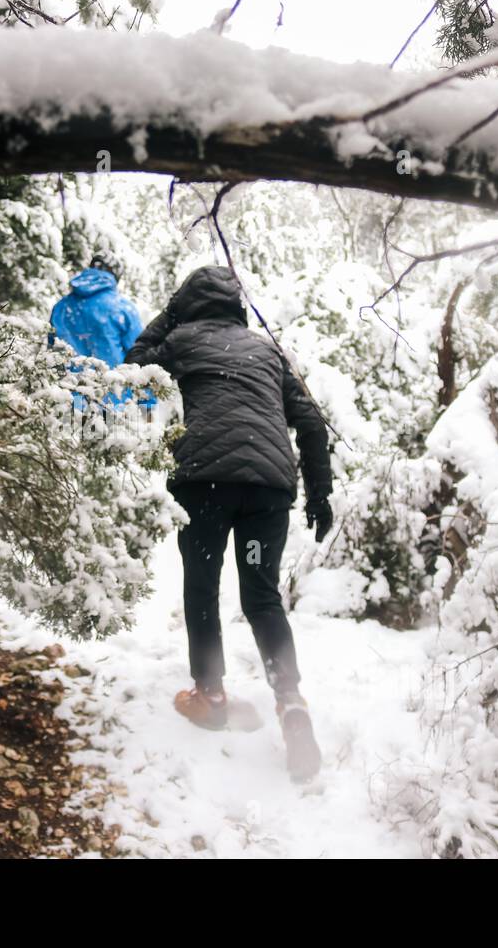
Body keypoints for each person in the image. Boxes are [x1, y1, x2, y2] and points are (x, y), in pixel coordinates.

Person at [124, 265, 333, 782]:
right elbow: (309, 421)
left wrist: (168, 316)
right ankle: (290, 699)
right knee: (262, 596)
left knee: (202, 585)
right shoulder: (266, 350)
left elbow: (130, 370)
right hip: (266, 491)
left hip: (205, 486)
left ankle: (211, 694)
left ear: (187, 306)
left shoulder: (179, 340)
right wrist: (320, 493)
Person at [50, 253, 150, 410]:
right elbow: (139, 357)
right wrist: (147, 404)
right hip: (113, 402)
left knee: (71, 433)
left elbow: (51, 353)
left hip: (69, 400)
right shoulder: (122, 307)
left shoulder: (61, 307)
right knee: (109, 433)